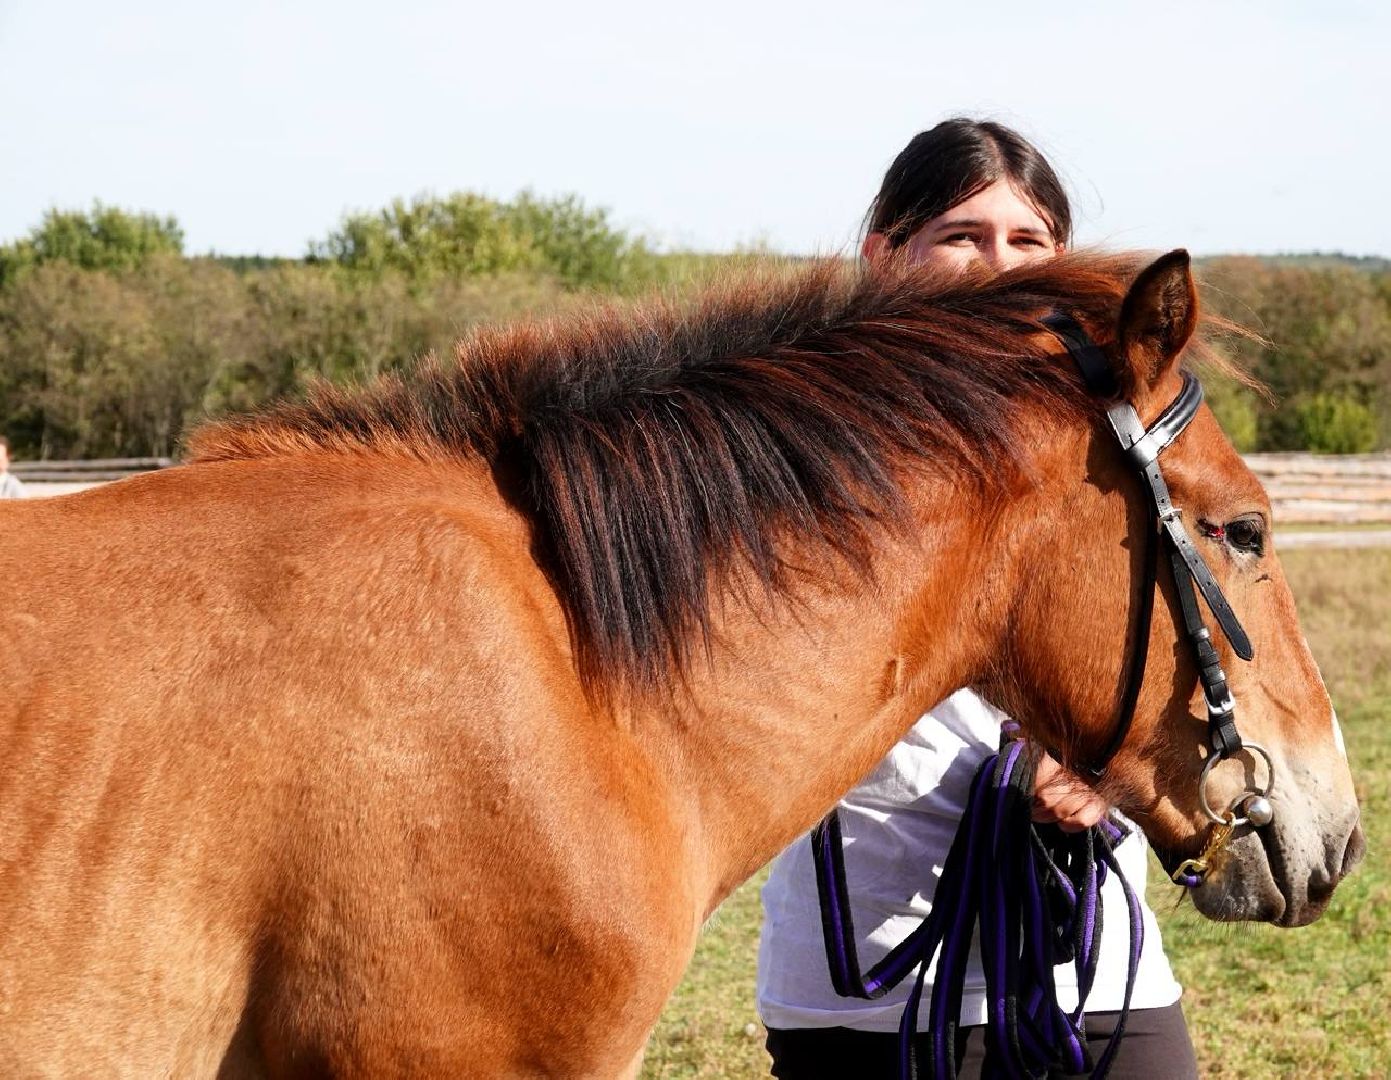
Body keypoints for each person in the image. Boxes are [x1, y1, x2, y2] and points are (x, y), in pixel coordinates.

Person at [756, 119, 1199, 1079]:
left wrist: (1096, 764)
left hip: (1089, 967)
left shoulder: (1107, 446)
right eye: (962, 236)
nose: (998, 264)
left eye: (1027, 240)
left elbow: (1158, 647)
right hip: (869, 972)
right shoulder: (792, 448)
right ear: (884, 256)